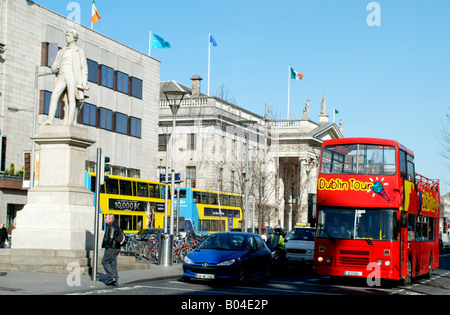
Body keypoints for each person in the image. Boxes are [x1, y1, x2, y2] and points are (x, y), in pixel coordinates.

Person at [44, 29, 88, 126]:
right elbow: (55, 64)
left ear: (74, 37)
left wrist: (84, 82)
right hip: (62, 74)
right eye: (66, 35)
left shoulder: (79, 51)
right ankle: (49, 119)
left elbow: (84, 67)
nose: (66, 37)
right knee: (54, 96)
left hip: (71, 75)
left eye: (68, 35)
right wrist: (54, 68)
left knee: (71, 98)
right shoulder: (61, 51)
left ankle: (69, 121)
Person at [101, 214, 124, 286]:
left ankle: (112, 277)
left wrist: (107, 246)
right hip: (116, 247)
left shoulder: (111, 226)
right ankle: (115, 281)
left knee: (104, 262)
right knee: (113, 264)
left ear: (110, 219)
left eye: (106, 218)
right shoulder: (116, 225)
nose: (105, 219)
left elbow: (110, 238)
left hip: (111, 248)